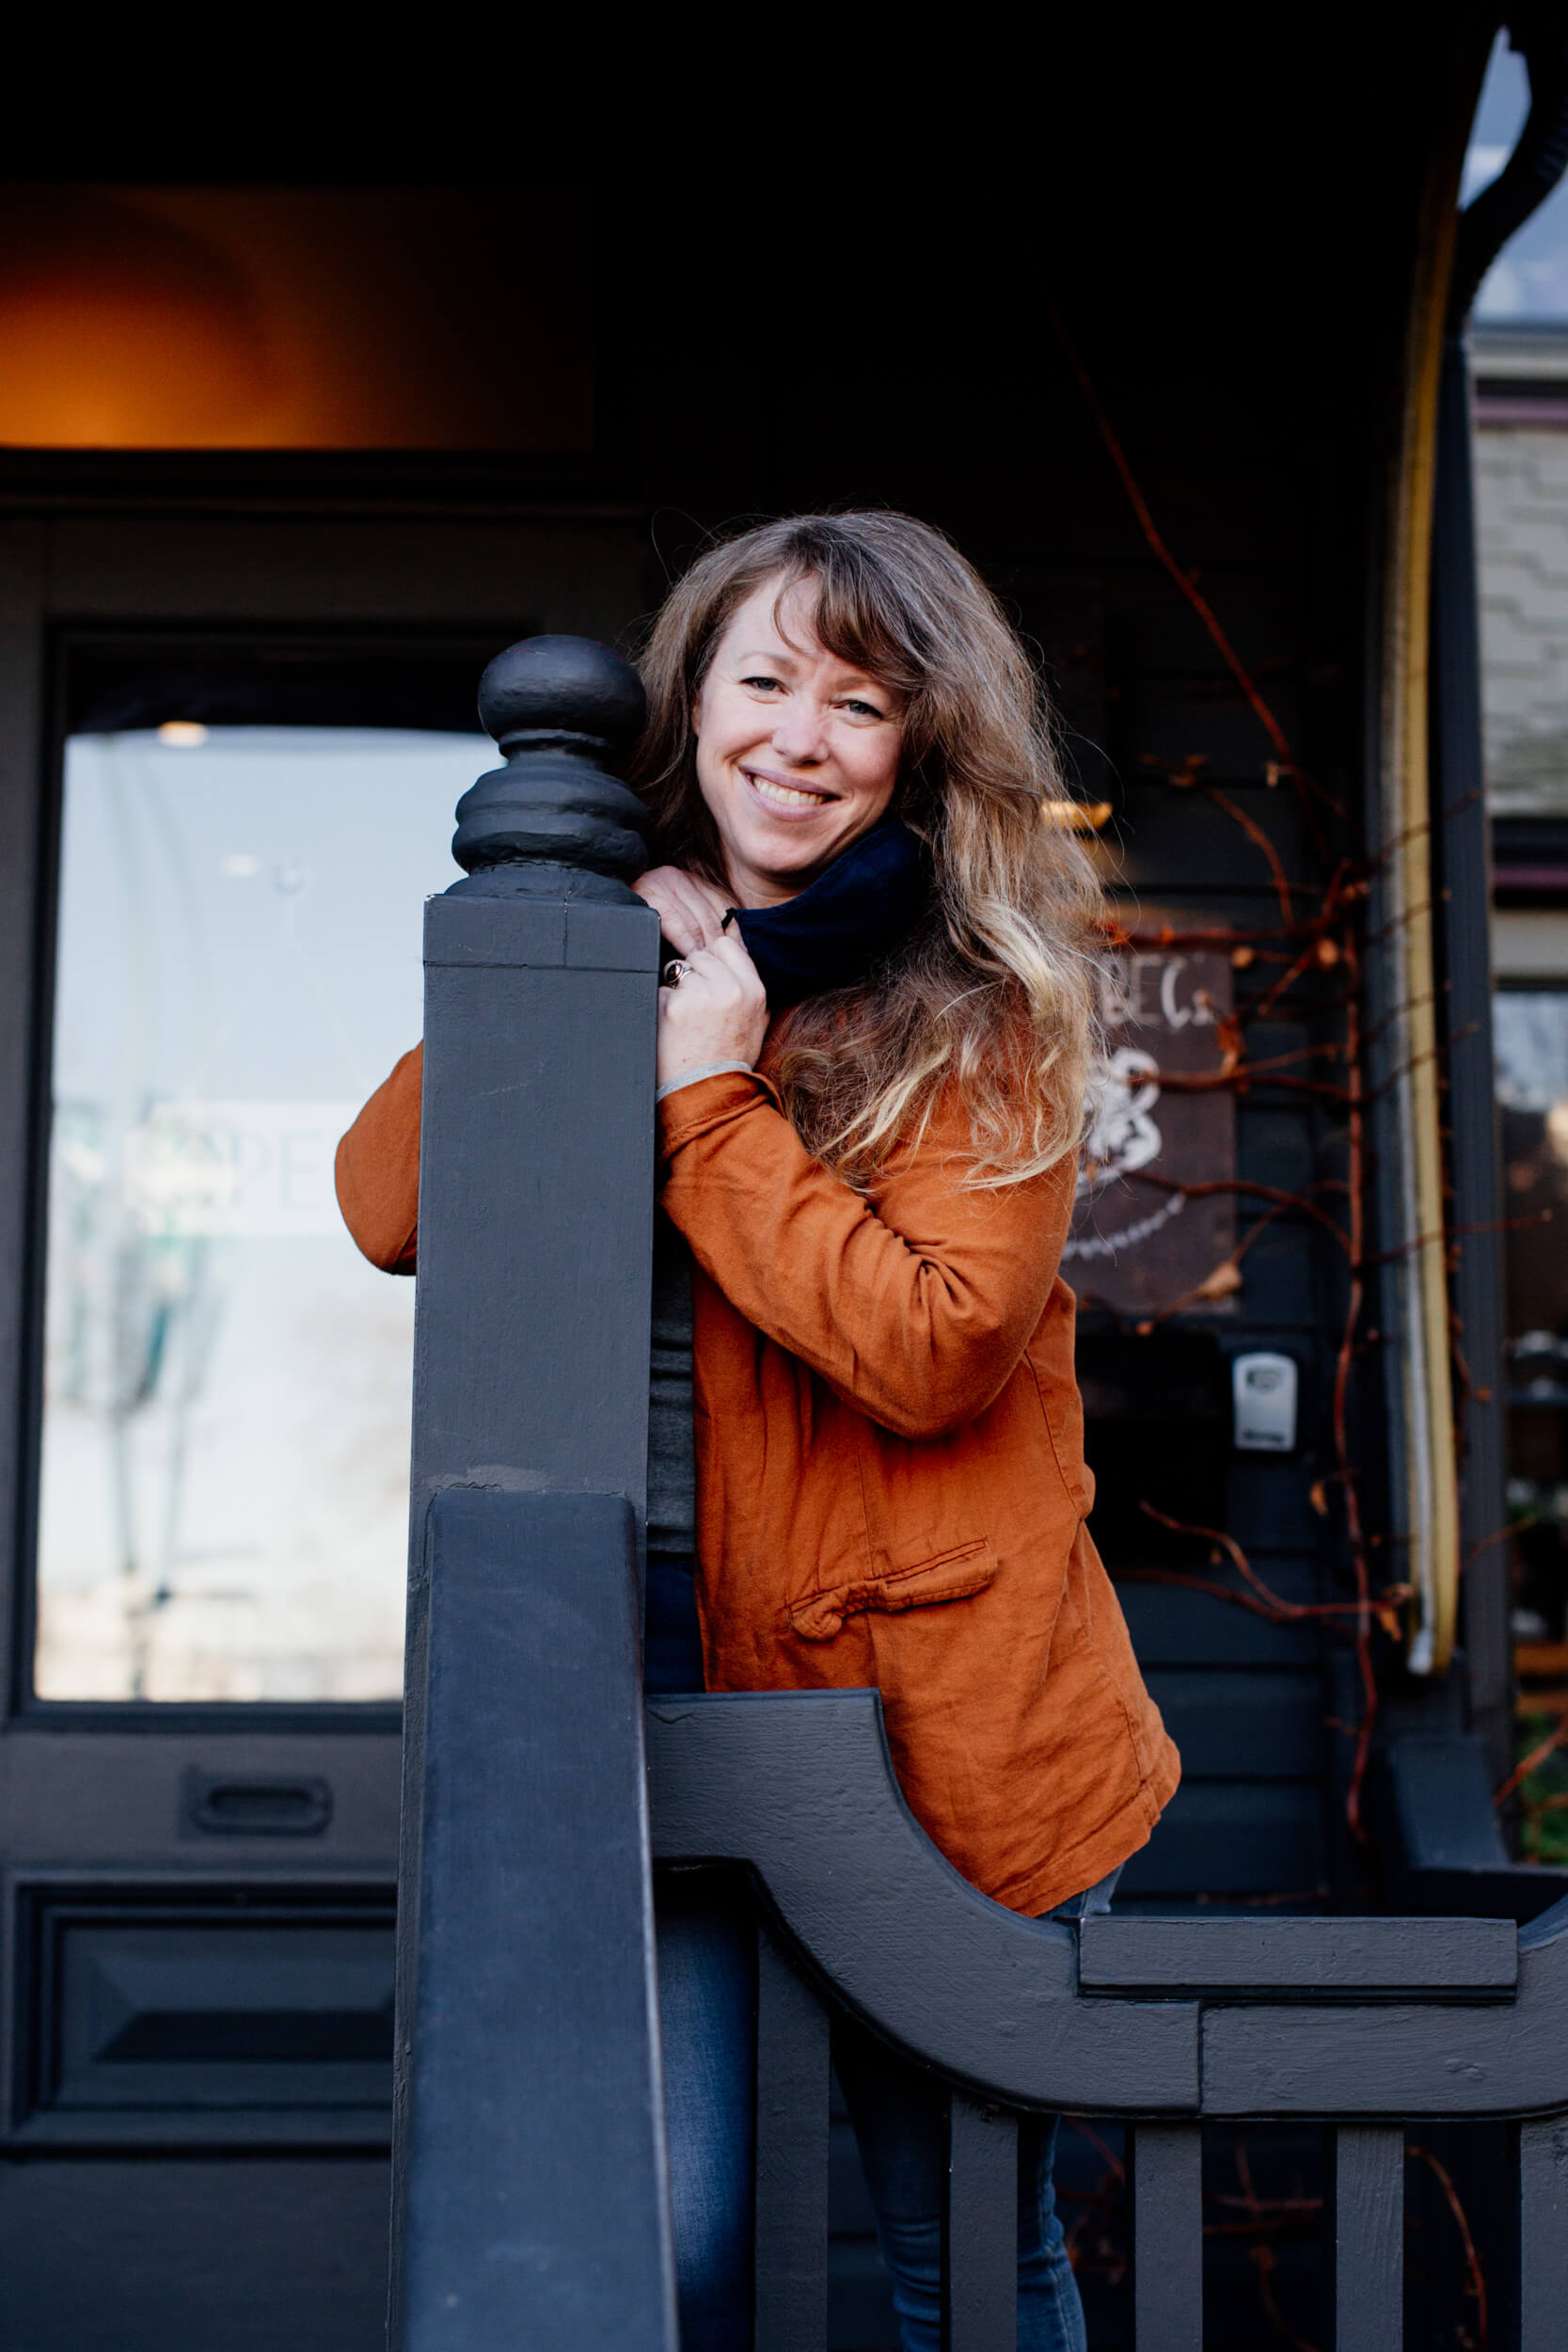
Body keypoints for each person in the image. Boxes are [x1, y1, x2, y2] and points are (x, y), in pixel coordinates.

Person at [336, 512, 1180, 2351]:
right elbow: (389, 1203)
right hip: (627, 1665)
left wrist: (711, 1094)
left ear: (920, 742)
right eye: (765, 678)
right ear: (690, 698)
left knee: (964, 2240)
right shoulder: (615, 935)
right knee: (674, 2225)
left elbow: (940, 1345)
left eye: (859, 699)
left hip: (937, 1700)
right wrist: (560, 953)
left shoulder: (987, 1011)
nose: (800, 735)